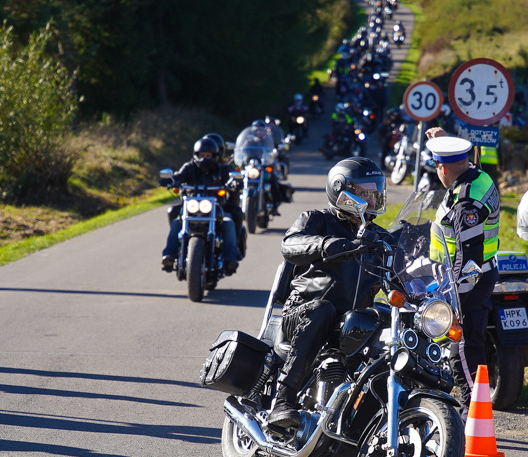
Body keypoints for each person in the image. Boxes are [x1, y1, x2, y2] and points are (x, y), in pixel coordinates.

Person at [268, 157, 389, 427]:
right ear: (340, 190)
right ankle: (282, 402)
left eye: (376, 191)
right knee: (323, 309)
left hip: (349, 325)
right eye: (365, 192)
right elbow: (290, 245)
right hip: (303, 313)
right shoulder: (316, 220)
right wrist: (326, 245)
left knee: (388, 319)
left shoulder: (379, 238)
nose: (373, 197)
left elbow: (407, 268)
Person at [424, 129, 500, 418]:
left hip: (469, 280)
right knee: (465, 342)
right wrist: (445, 138)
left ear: (442, 168)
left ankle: (476, 411)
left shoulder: (466, 203)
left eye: (437, 167)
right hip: (474, 273)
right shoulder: (478, 177)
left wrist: (454, 302)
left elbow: (469, 260)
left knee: (464, 346)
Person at [160, 137, 242, 274]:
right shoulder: (189, 167)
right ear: (196, 155)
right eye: (202, 155)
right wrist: (171, 180)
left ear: (215, 156)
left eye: (208, 155)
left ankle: (230, 258)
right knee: (176, 222)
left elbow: (230, 177)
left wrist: (234, 182)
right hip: (191, 207)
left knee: (228, 223)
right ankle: (169, 256)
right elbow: (179, 176)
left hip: (216, 208)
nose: (204, 158)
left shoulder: (222, 169)